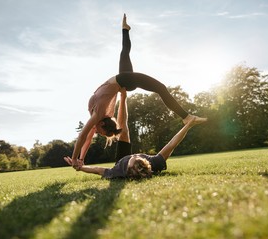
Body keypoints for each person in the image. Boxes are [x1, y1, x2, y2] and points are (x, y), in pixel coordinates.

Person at [71, 14, 206, 169]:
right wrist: (80, 159)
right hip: (124, 82)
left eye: (101, 132)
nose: (97, 133)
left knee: (156, 84)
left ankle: (186, 117)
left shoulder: (98, 114)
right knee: (126, 55)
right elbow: (86, 138)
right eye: (100, 133)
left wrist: (75, 159)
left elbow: (83, 136)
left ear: (102, 124)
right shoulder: (97, 118)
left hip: (124, 81)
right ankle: (187, 117)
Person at [64, 88, 205, 179]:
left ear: (129, 168)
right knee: (124, 130)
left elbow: (98, 170)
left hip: (120, 159)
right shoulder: (153, 163)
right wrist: (188, 126)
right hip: (139, 166)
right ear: (145, 163)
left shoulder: (118, 171)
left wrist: (80, 167)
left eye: (134, 159)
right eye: (140, 159)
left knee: (124, 131)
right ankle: (124, 96)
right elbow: (171, 144)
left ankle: (123, 95)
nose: (136, 156)